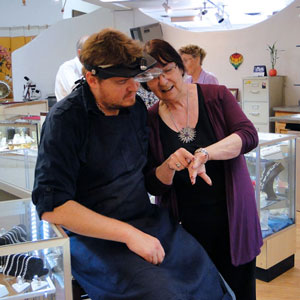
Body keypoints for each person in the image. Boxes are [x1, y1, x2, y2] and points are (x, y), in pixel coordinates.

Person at [32, 28, 234, 300]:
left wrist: (170, 166)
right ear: (91, 78)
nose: (134, 87)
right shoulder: (66, 121)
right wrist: (128, 235)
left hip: (146, 221)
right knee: (163, 292)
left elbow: (146, 177)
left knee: (206, 276)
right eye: (120, 81)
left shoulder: (135, 109)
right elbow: (52, 207)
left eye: (134, 78)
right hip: (95, 238)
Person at [142, 39, 263, 300]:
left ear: (181, 68)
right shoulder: (149, 120)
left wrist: (205, 153)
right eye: (152, 76)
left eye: (167, 70)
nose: (162, 81)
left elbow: (248, 135)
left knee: (239, 290)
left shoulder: (216, 96)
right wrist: (169, 165)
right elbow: (152, 183)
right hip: (184, 229)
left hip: (232, 221)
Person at [54, 35, 89, 101]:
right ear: (80, 52)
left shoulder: (91, 68)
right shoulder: (67, 68)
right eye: (91, 51)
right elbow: (77, 93)